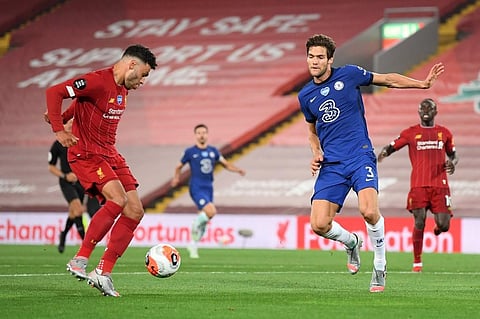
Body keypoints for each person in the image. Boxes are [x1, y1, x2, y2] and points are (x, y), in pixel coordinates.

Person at [298, 34, 444, 292]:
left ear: (330, 59)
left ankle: (379, 264)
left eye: (320, 57)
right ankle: (352, 242)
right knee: (319, 224)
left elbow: (387, 79)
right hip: (332, 164)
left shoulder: (350, 75)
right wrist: (315, 151)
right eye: (311, 56)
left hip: (359, 155)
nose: (315, 61)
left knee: (368, 210)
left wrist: (422, 85)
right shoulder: (306, 95)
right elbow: (311, 131)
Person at [45, 44, 157, 297]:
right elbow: (54, 91)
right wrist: (58, 128)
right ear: (132, 65)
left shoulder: (122, 89)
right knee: (117, 199)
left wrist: (63, 117)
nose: (143, 81)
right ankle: (80, 259)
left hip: (110, 152)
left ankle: (103, 272)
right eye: (144, 74)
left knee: (135, 210)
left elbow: (82, 104)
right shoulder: (96, 80)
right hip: (87, 154)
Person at [377, 98, 458, 273]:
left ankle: (438, 228)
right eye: (423, 108)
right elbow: (393, 146)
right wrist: (383, 154)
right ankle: (417, 262)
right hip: (418, 185)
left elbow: (453, 155)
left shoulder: (444, 133)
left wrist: (452, 163)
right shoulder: (410, 132)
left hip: (440, 185)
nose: (426, 110)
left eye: (430, 107)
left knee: (444, 225)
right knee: (419, 221)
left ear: (436, 112)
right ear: (418, 112)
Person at [171, 124, 246, 258]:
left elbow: (225, 164)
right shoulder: (190, 152)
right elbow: (178, 166)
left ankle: (193, 246)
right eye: (199, 133)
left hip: (209, 187)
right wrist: (176, 179)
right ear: (195, 135)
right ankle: (195, 225)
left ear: (207, 134)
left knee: (205, 221)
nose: (202, 135)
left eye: (204, 132)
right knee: (211, 211)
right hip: (196, 186)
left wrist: (237, 170)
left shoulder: (214, 151)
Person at [48, 119, 100, 253]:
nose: (71, 125)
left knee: (73, 212)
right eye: (68, 123)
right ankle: (85, 242)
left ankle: (64, 234)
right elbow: (51, 167)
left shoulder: (80, 142)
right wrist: (65, 176)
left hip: (80, 182)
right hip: (67, 183)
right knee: (78, 210)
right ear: (63, 126)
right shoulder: (57, 145)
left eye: (73, 123)